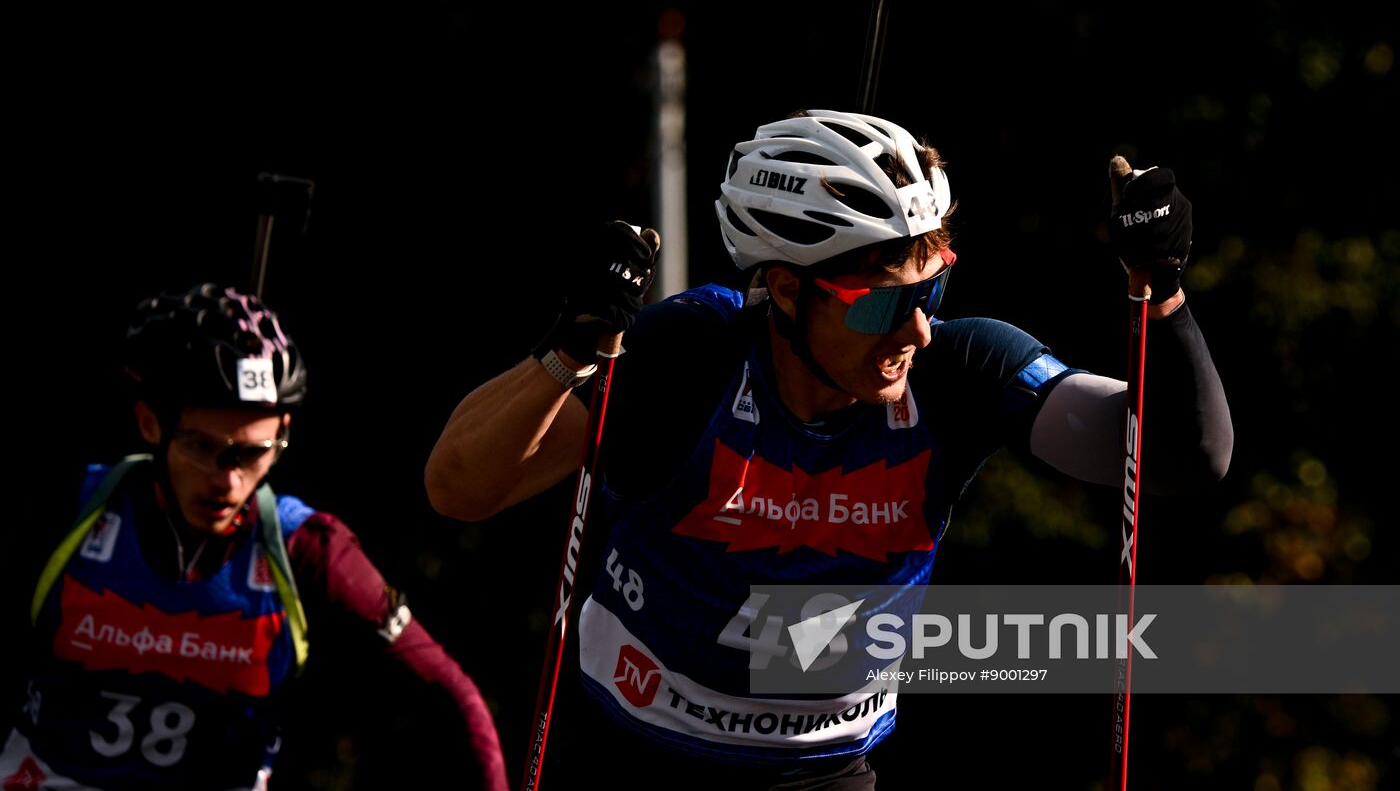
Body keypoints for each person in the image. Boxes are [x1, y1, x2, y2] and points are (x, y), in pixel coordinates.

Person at [424, 109, 1233, 788]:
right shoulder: (698, 353)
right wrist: (571, 347)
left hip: (823, 769)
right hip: (632, 753)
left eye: (934, 288)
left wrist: (1160, 292)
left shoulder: (960, 368)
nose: (917, 328)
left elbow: (1179, 458)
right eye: (887, 307)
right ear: (784, 286)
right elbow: (458, 488)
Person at [1, 282, 509, 791]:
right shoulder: (69, 509)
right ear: (150, 423)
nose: (227, 481)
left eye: (253, 452)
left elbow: (452, 696)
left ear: (284, 429)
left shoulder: (306, 547)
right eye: (201, 446)